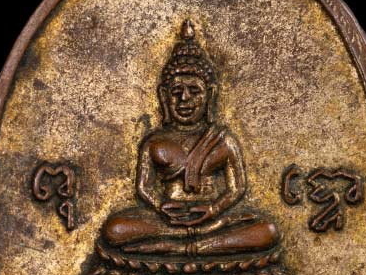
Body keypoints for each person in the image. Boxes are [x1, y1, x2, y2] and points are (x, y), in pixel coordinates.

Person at [101, 20, 279, 257]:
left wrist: (213, 209)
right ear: (164, 97)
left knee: (267, 230)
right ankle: (194, 244)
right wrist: (160, 206)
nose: (184, 99)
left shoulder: (223, 139)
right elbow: (144, 187)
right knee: (115, 229)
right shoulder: (154, 141)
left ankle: (182, 247)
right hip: (167, 219)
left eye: (194, 91)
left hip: (213, 219)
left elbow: (237, 188)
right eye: (176, 92)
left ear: (210, 95)